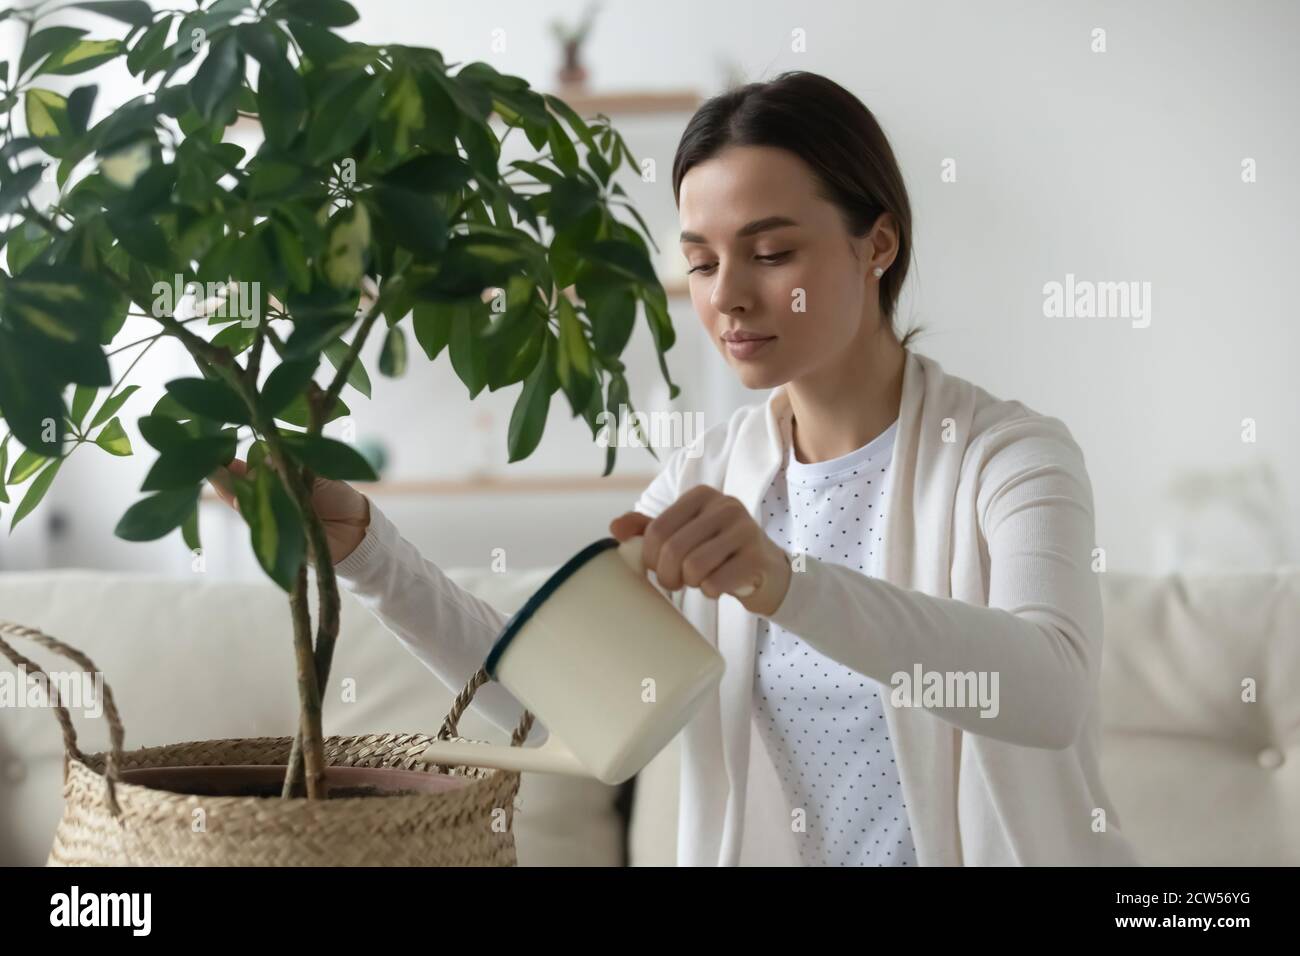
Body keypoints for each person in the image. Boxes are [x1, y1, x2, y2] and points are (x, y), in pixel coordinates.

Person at [211, 70, 1138, 867]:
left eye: (771, 253)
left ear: (878, 244)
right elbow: (546, 696)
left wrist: (783, 582)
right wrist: (368, 552)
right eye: (699, 264)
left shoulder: (1011, 457)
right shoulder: (711, 474)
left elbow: (1047, 690)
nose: (728, 295)